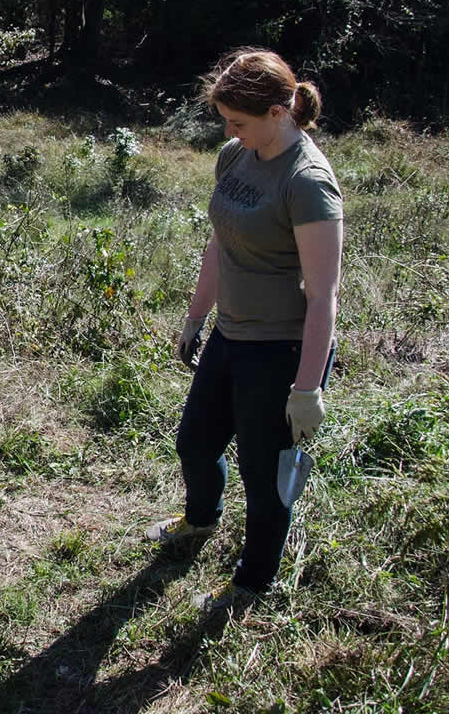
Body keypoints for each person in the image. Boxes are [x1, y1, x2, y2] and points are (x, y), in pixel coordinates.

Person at [145, 49, 342, 612]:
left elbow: (323, 296)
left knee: (264, 474)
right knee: (195, 442)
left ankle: (252, 583)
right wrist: (196, 315)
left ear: (279, 112)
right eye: (226, 120)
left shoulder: (307, 183)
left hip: (280, 349)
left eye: (239, 121)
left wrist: (307, 389)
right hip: (230, 334)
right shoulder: (236, 156)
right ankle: (201, 519)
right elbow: (221, 241)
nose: (229, 132)